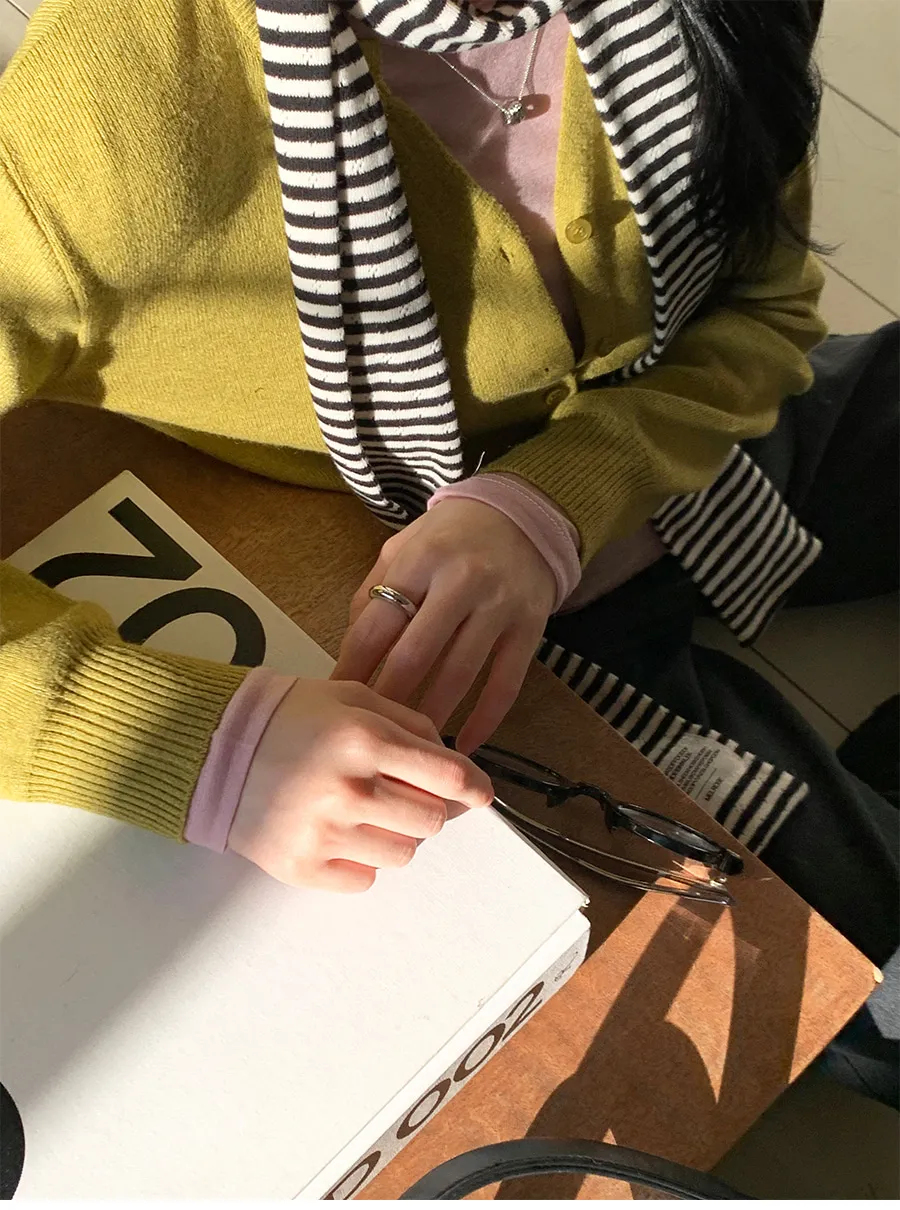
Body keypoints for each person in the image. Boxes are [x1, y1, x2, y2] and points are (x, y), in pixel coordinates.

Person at [0, 0, 896, 1099]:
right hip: (442, 633)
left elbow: (762, 301)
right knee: (868, 986)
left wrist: (554, 498)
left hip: (693, 432)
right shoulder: (115, 112)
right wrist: (198, 744)